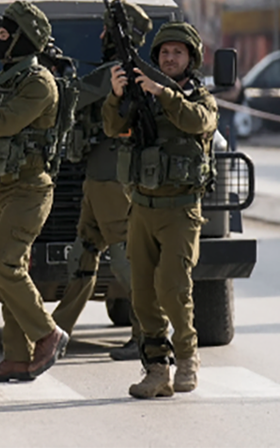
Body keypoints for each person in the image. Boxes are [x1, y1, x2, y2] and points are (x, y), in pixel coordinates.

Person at [104, 21, 217, 399]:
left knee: (172, 287)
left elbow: (198, 122)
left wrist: (164, 93)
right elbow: (111, 126)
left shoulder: (200, 98)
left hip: (181, 210)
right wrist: (118, 96)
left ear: (191, 59)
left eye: (178, 52)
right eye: (165, 52)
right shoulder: (142, 96)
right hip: (143, 207)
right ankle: (156, 368)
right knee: (141, 294)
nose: (170, 58)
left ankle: (186, 358)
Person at [0, 2, 67, 382]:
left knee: (4, 265)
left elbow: (3, 123)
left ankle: (47, 333)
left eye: (6, 34)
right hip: (3, 184)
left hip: (29, 188)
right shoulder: (10, 79)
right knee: (4, 270)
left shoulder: (38, 82)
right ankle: (16, 357)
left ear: (23, 39)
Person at [52, 0, 150, 362]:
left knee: (125, 256)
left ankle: (147, 333)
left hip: (112, 176)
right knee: (84, 254)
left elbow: (74, 95)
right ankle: (57, 332)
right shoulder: (119, 70)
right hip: (97, 175)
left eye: (105, 30)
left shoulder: (119, 70)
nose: (100, 35)